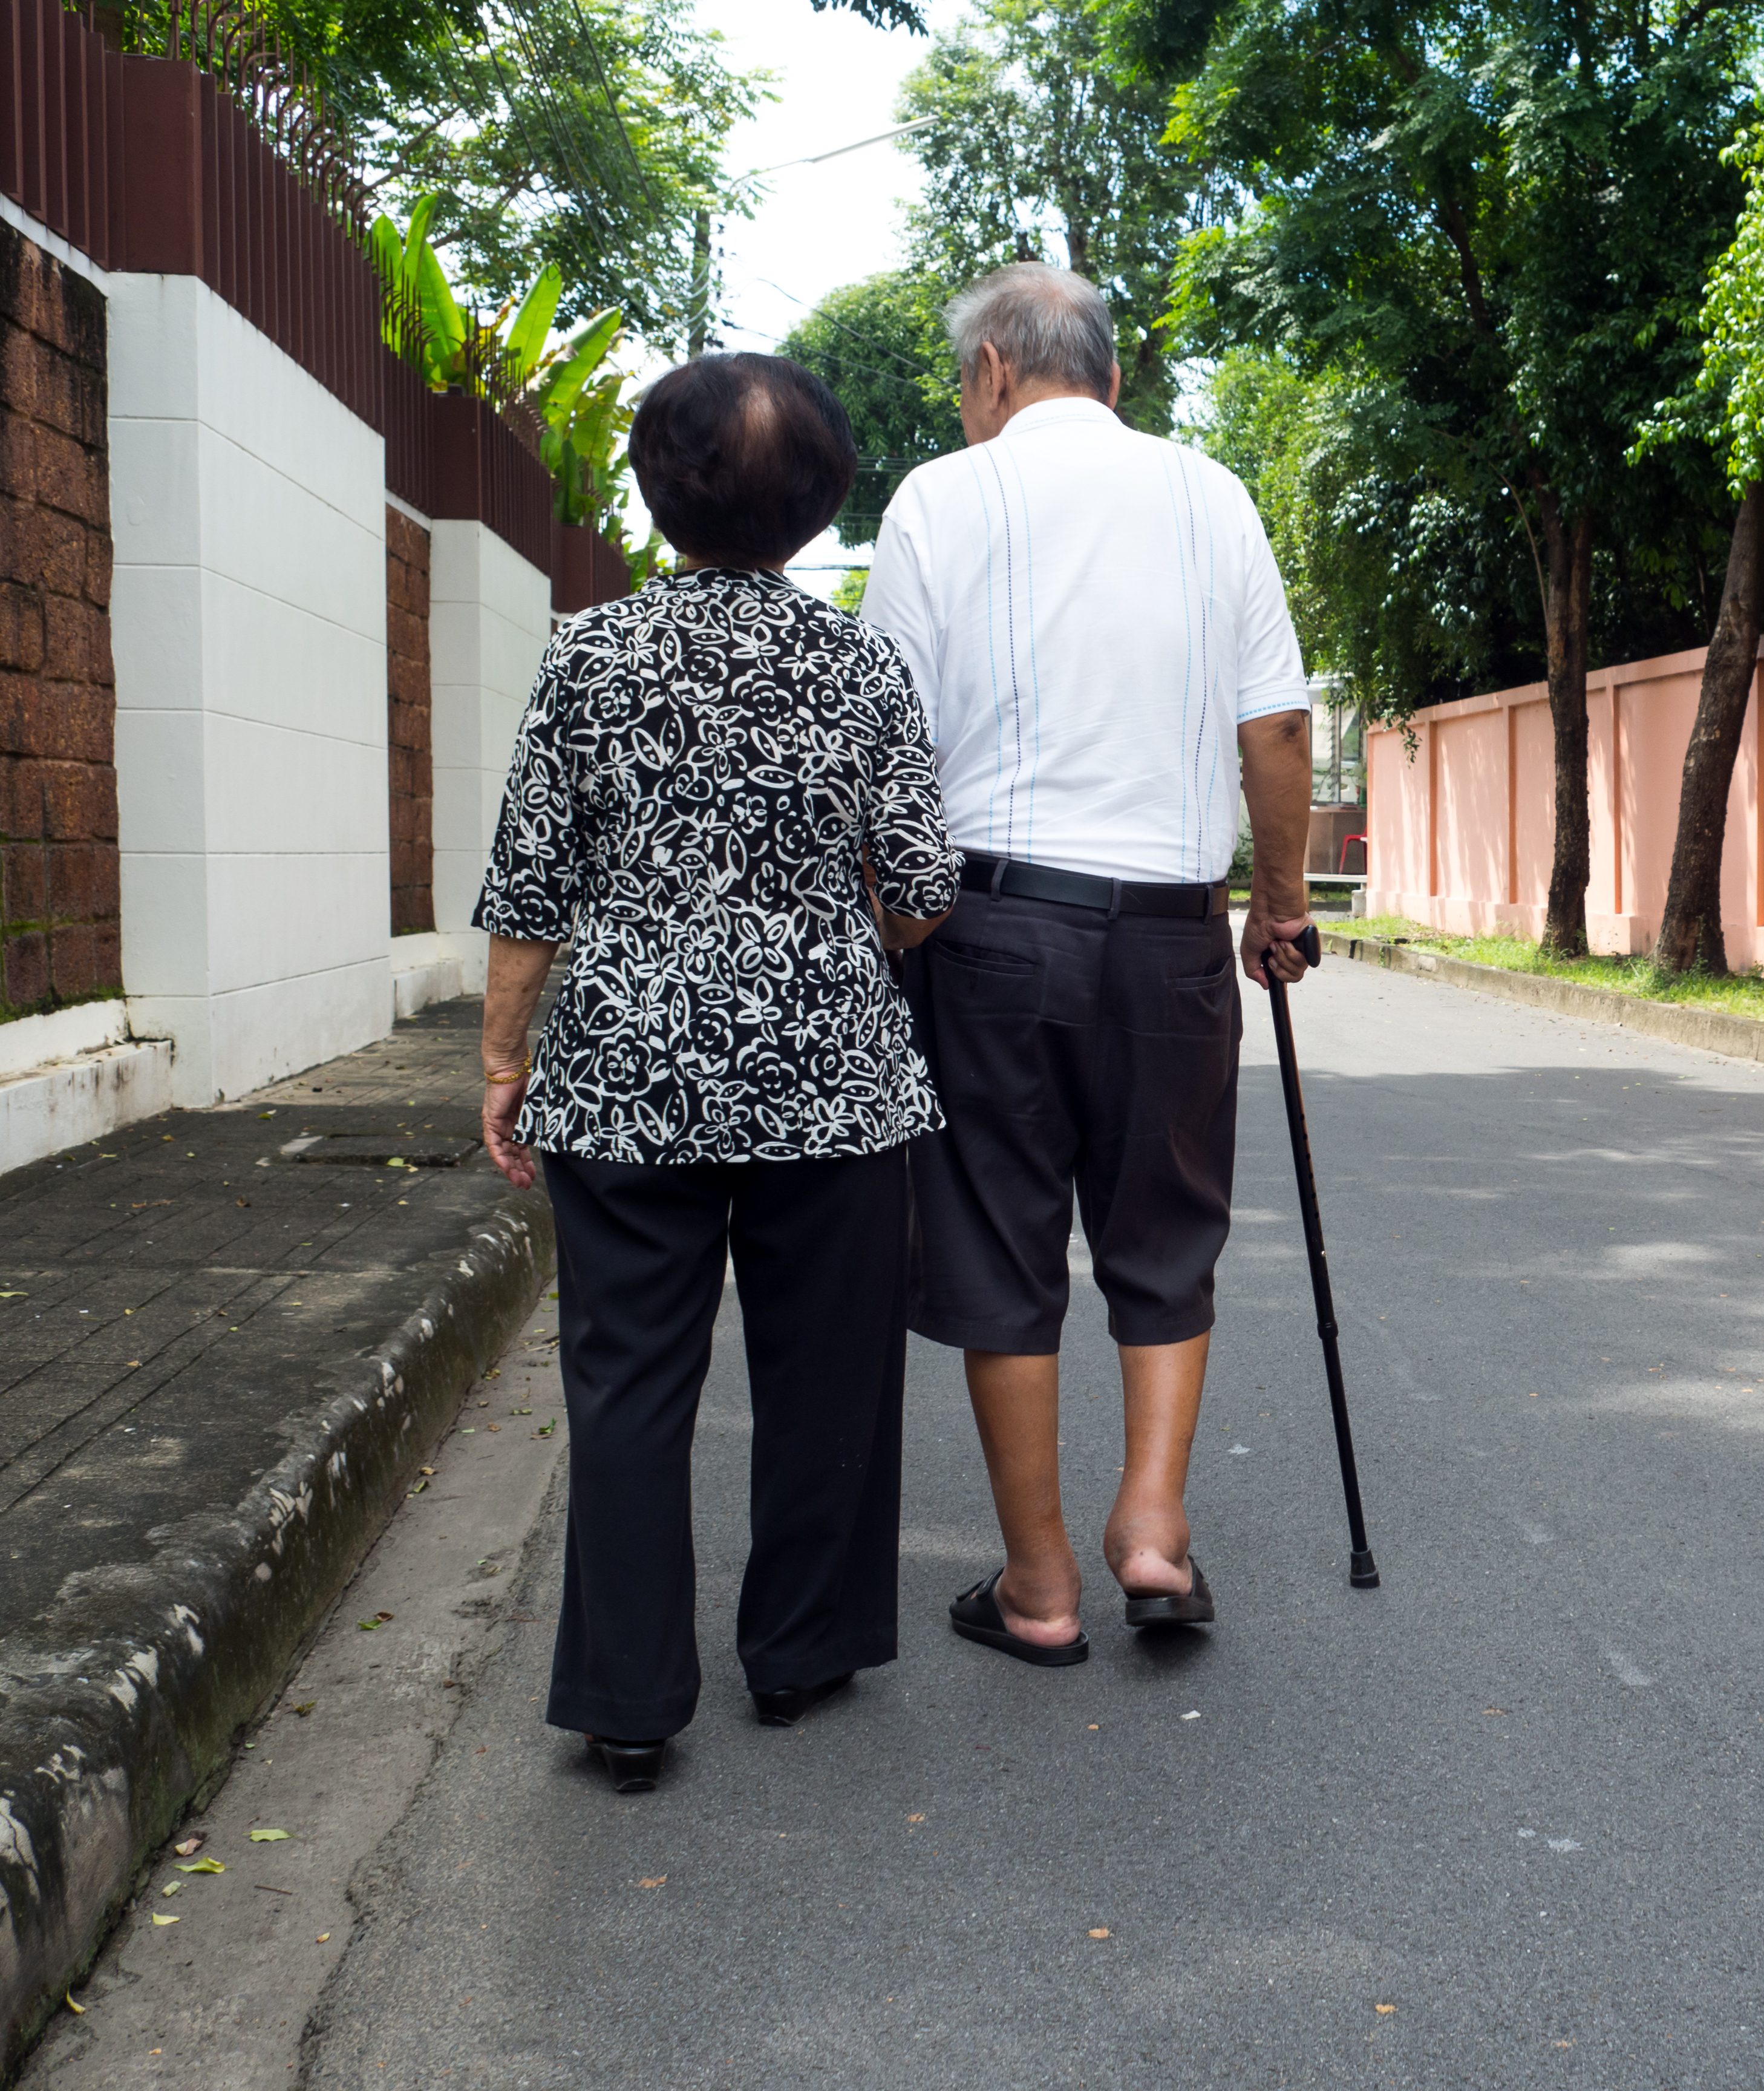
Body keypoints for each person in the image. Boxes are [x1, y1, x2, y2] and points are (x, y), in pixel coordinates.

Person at [474, 353, 961, 1792]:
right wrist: (818, 943)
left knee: (626, 1385)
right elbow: (926, 884)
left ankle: (628, 1701)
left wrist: (505, 1057)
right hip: (837, 1082)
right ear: (820, 505)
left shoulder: (590, 654)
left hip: (625, 1073)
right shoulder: (861, 662)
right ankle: (800, 1655)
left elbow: (530, 885)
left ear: (656, 488)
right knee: (828, 1379)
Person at [861, 263, 1313, 1665]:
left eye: (961, 381)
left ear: (993, 370)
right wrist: (1276, 907)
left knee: (1001, 1245)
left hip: (991, 927)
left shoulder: (942, 496)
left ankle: (1042, 1586)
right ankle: (1156, 1528)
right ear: (1107, 378)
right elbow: (1278, 728)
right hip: (1173, 932)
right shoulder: (1212, 493)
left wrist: (900, 930)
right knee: (1167, 1232)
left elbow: (890, 745)